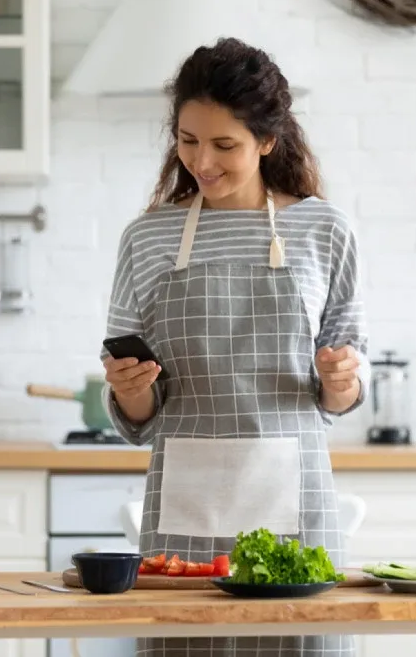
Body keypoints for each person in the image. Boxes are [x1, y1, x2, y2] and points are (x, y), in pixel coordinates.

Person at [100, 36, 369, 657]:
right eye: (189, 141)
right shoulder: (147, 236)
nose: (203, 161)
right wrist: (130, 391)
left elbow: (343, 392)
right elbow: (138, 420)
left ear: (268, 141)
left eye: (225, 145)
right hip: (183, 518)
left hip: (295, 508)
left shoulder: (323, 229)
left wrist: (340, 378)